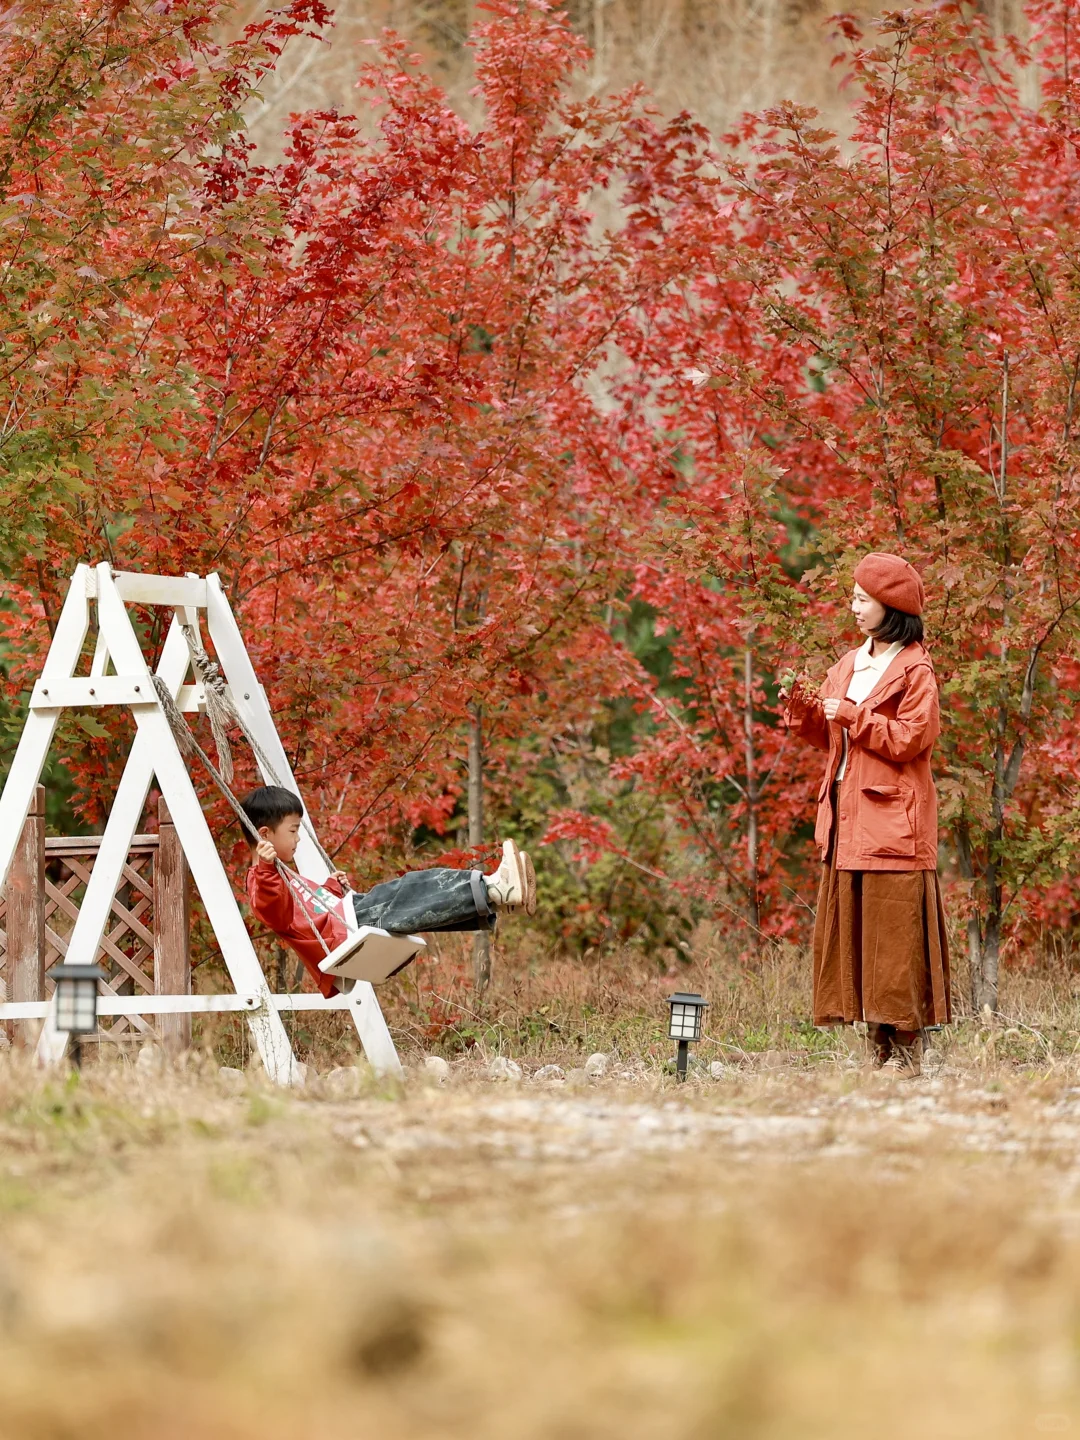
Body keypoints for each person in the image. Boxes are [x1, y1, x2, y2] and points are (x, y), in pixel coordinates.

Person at [781, 552, 950, 1076]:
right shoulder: (849, 663)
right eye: (854, 598)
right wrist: (804, 710)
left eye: (862, 599)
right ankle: (878, 1052)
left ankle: (905, 1053)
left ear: (890, 606)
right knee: (859, 936)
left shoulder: (915, 669)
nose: (853, 607)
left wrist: (853, 714)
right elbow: (829, 738)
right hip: (848, 820)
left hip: (894, 825)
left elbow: (910, 740)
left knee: (894, 939)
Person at [241, 785, 536, 997]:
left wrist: (331, 886)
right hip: (346, 930)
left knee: (419, 911)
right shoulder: (262, 880)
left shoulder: (281, 874)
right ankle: (494, 888)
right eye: (293, 830)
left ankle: (497, 899)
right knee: (413, 888)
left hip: (348, 917)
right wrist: (266, 868)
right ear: (264, 835)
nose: (298, 839)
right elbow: (274, 910)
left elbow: (309, 906)